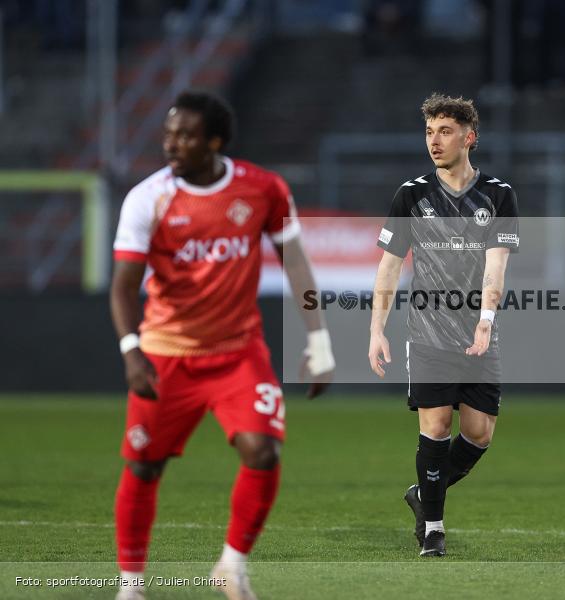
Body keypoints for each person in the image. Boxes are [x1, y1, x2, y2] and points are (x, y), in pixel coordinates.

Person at [110, 90, 334, 600]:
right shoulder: (148, 198)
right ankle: (130, 585)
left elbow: (296, 262)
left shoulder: (263, 189)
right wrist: (131, 349)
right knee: (145, 465)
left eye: (185, 136)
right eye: (168, 134)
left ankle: (231, 567)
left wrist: (319, 340)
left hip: (238, 352)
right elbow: (124, 284)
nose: (172, 144)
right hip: (166, 354)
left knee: (263, 451)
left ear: (213, 141)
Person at [368, 93, 519, 557]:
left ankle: (422, 493)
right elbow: (389, 267)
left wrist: (487, 319)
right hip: (428, 332)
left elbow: (497, 266)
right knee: (434, 427)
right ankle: (432, 528)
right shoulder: (410, 194)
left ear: (469, 138)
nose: (435, 140)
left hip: (478, 332)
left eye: (445, 131)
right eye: (430, 131)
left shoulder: (498, 194)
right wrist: (377, 329)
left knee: (479, 433)